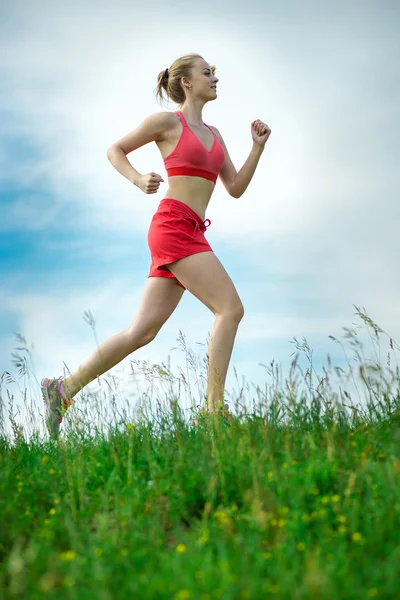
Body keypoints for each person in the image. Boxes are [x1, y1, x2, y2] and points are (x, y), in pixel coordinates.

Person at [41, 53, 271, 439]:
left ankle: (62, 390)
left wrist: (257, 148)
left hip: (193, 229)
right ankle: (214, 412)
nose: (214, 78)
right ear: (186, 82)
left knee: (141, 332)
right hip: (173, 226)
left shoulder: (216, 136)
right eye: (207, 73)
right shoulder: (167, 122)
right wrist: (136, 179)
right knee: (230, 309)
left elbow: (234, 188)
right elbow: (116, 149)